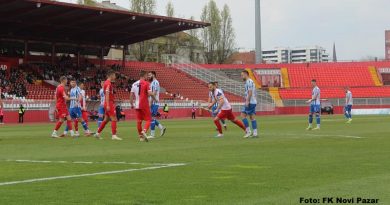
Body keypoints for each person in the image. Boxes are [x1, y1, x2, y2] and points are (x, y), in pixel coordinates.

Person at [94, 70, 122, 140]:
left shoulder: (107, 83)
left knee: (106, 120)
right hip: (109, 102)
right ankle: (114, 135)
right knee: (114, 119)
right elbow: (106, 94)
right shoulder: (108, 83)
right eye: (114, 75)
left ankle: (97, 133)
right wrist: (108, 105)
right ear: (111, 75)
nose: (115, 77)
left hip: (107, 103)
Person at [130, 71, 157, 142]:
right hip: (144, 104)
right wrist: (155, 99)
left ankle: (141, 137)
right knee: (149, 119)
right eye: (147, 76)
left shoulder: (134, 84)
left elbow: (131, 95)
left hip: (137, 104)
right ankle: (144, 131)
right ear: (144, 75)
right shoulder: (146, 83)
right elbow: (150, 93)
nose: (147, 77)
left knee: (139, 121)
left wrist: (131, 104)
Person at [148, 71, 166, 138]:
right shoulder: (152, 83)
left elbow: (154, 93)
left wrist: (150, 102)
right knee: (151, 118)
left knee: (152, 118)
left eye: (150, 75)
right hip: (152, 102)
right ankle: (162, 127)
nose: (148, 76)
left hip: (154, 102)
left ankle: (152, 135)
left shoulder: (155, 82)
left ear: (153, 75)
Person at [241, 71, 258, 138]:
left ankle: (248, 132)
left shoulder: (249, 81)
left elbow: (250, 92)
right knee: (252, 117)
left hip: (250, 102)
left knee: (243, 115)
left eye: (242, 75)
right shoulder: (249, 81)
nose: (241, 77)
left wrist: (247, 101)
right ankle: (255, 133)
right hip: (252, 101)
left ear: (246, 74)